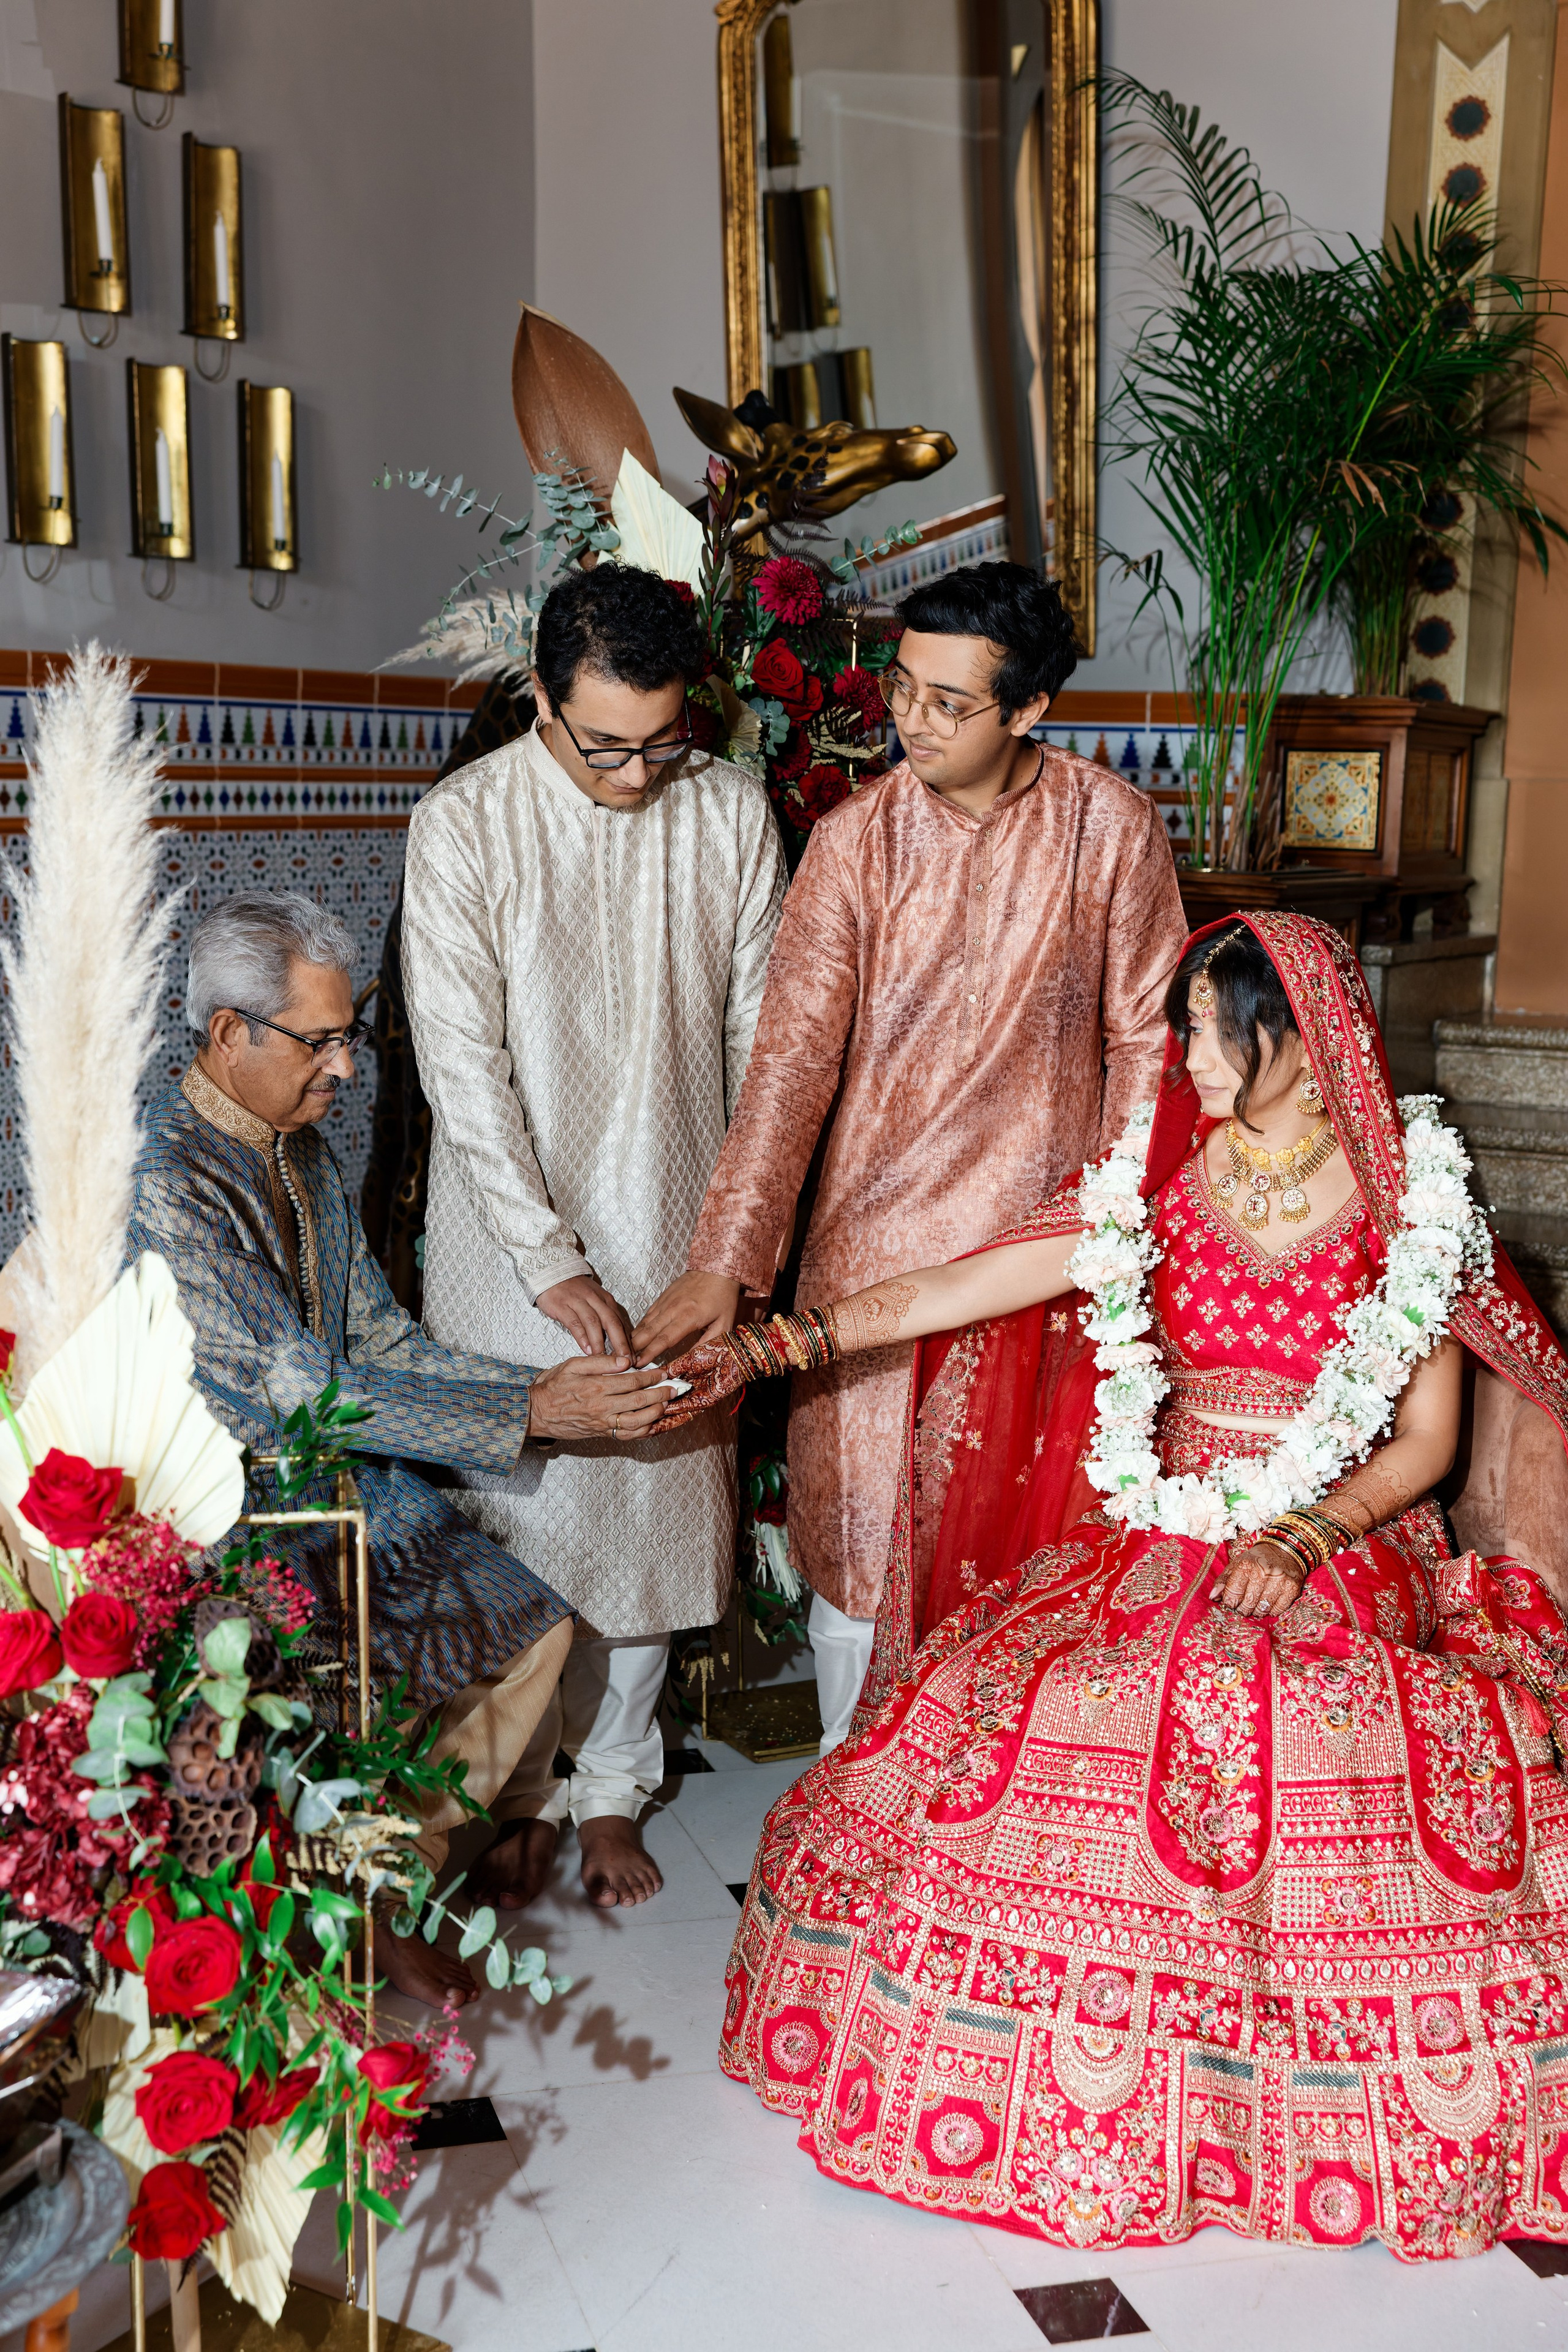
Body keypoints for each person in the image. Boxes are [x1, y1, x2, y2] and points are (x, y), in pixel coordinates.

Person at [654, 912, 1568, 2261]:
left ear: (1300, 1040)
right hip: (1160, 1525)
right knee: (1021, 1685)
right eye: (1185, 1021)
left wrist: (1307, 1537)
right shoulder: (1161, 1181)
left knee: (1250, 1689)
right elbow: (969, 1284)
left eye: (1208, 1024)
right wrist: (787, 1341)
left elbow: (1425, 1443)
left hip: (1336, 1531)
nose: (1182, 1050)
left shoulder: (1409, 1200)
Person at [635, 562, 1188, 1752]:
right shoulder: (851, 844)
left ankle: (984, 1874)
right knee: (861, 1568)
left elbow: (1149, 1045)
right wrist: (724, 1266)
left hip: (1038, 1267)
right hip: (868, 1261)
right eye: (902, 688)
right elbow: (786, 1073)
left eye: (951, 703)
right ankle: (845, 1844)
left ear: (1030, 709)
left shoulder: (1109, 829)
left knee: (1020, 1564)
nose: (914, 722)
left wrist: (1114, 1242)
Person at [126, 892, 672, 2006]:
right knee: (366, 1676)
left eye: (348, 1035)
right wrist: (534, 1417)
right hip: (227, 1502)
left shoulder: (304, 1151)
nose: (345, 1068)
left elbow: (379, 1339)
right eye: (318, 1041)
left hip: (337, 1475)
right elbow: (291, 1387)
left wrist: (549, 1392)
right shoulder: (166, 1180)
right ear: (230, 1034)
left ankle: (390, 1887)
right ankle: (358, 1899)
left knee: (536, 1631)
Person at [401, 564, 786, 1909]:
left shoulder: (728, 812)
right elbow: (463, 1070)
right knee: (526, 1495)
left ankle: (615, 1783)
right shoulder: (465, 825)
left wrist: (734, 1248)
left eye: (660, 741)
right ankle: (512, 1787)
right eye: (602, 744)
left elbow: (765, 1047)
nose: (633, 773)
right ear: (537, 700)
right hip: (510, 1228)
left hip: (683, 1215)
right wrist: (544, 1255)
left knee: (651, 1502)